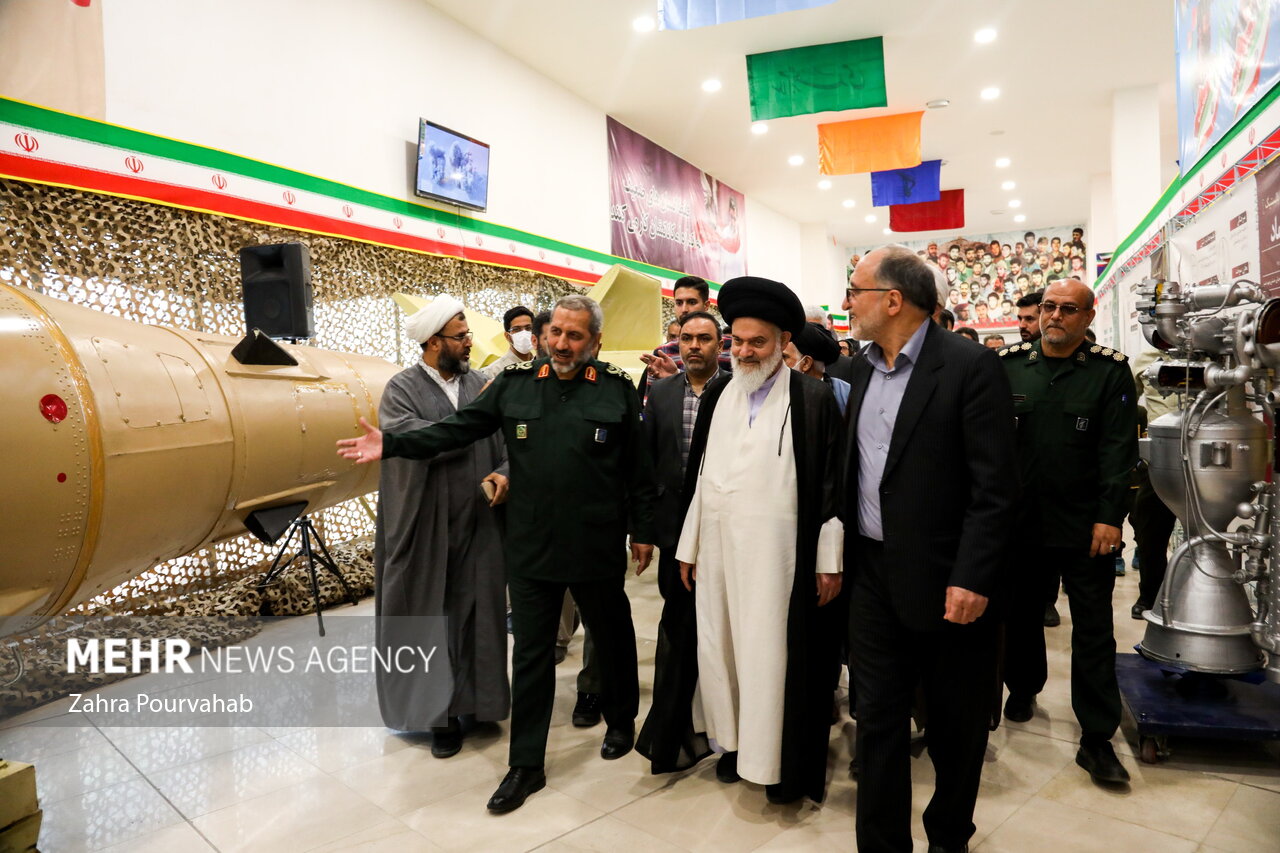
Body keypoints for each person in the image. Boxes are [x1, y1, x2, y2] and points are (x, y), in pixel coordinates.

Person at [337, 295, 657, 814]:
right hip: (531, 546)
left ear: (595, 342)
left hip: (595, 541)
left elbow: (639, 471)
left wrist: (643, 531)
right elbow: (455, 430)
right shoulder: (513, 386)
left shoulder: (617, 392)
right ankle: (525, 764)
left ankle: (621, 722)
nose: (561, 343)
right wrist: (392, 444)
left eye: (575, 336)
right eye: (555, 332)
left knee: (613, 635)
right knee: (530, 654)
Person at [843, 246, 1016, 853]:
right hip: (871, 574)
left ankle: (948, 835)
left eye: (855, 290)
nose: (847, 303)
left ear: (893, 300)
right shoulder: (858, 367)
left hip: (949, 582)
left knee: (954, 725)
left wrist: (972, 575)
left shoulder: (970, 366)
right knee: (879, 720)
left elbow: (995, 488)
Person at [675, 276, 845, 804]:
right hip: (720, 551)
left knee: (770, 655)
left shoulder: (814, 400)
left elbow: (833, 488)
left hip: (779, 562)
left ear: (783, 344)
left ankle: (773, 761)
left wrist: (829, 562)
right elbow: (700, 476)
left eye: (758, 343)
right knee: (720, 647)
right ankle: (733, 745)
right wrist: (690, 546)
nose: (745, 353)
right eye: (738, 342)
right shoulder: (721, 395)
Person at [998, 278, 1137, 786]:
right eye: (1048, 307)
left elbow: (1119, 451)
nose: (1054, 316)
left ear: (1087, 315)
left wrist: (1110, 517)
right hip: (1021, 525)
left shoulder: (1110, 371)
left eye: (1067, 309)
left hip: (1085, 527)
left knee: (1094, 630)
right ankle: (1023, 686)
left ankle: (1097, 738)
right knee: (1019, 616)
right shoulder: (1009, 365)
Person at [374, 296, 510, 757]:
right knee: (430, 615)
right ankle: (440, 718)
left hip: (479, 519)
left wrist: (504, 473)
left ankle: (477, 703)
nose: (470, 342)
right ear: (434, 343)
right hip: (425, 523)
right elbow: (413, 440)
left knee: (478, 613)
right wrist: (470, 424)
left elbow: (510, 442)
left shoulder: (482, 383)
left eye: (468, 333)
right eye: (461, 335)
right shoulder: (401, 389)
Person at [636, 310, 728, 773]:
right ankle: (674, 728)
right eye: (686, 338)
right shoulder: (664, 393)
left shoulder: (734, 390)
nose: (693, 346)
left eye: (704, 339)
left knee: (720, 632)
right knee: (677, 626)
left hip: (722, 533)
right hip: (674, 534)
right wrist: (645, 534)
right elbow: (648, 465)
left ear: (720, 344)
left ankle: (722, 727)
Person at [1129, 347, 1177, 619]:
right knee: (1149, 534)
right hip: (1157, 461)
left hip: (1200, 458)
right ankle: (1150, 595)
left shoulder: (1205, 357)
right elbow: (1127, 403)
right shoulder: (1144, 360)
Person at [638, 276, 733, 397]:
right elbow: (652, 404)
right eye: (679, 303)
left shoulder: (732, 348)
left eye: (692, 302)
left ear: (706, 305)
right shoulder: (663, 352)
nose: (684, 309)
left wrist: (676, 376)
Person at [784, 321, 851, 415]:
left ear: (806, 363)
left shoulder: (844, 394)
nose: (778, 364)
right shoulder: (776, 393)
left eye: (784, 357)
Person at [484, 305, 536, 378]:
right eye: (517, 329)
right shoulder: (494, 371)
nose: (524, 334)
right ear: (507, 336)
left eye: (528, 328)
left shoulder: (541, 365)